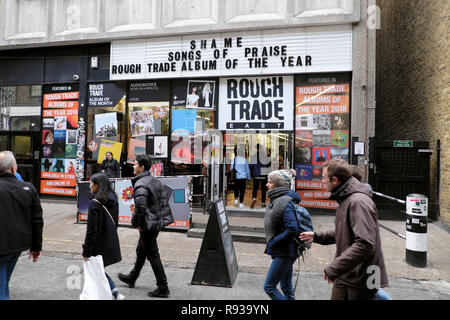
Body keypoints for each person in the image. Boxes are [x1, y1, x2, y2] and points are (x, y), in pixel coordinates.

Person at [299, 159, 388, 300]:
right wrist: (316, 236)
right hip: (347, 273)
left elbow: (365, 244)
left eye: (323, 178)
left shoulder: (358, 202)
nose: (322, 181)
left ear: (334, 180)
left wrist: (334, 268)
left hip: (362, 276)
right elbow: (345, 232)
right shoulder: (346, 198)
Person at [118, 155, 174, 298]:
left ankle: (163, 287)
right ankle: (132, 277)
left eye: (135, 164)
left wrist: (136, 224)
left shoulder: (141, 184)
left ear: (142, 167)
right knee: (141, 251)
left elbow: (140, 208)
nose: (133, 166)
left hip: (148, 224)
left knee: (152, 254)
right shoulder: (154, 180)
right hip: (154, 222)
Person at [0, 151, 43, 300]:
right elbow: (37, 220)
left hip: (3, 247)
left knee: (2, 287)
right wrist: (36, 247)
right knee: (3, 282)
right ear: (13, 168)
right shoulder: (29, 188)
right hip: (17, 246)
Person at [349, 165, 392, 301]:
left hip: (367, 260)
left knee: (372, 290)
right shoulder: (360, 197)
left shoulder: (359, 201)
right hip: (368, 259)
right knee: (372, 290)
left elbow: (364, 240)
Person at [82, 172, 124, 300]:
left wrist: (86, 251)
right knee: (98, 269)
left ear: (97, 185)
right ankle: (114, 292)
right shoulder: (113, 198)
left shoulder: (95, 203)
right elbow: (115, 222)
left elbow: (91, 231)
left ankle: (114, 293)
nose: (89, 186)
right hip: (110, 241)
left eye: (91, 183)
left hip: (97, 244)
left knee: (96, 269)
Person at [263, 169, 300, 300]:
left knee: (269, 287)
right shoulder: (277, 199)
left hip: (284, 252)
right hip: (285, 250)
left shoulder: (284, 202)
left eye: (269, 182)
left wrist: (274, 241)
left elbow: (292, 228)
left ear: (278, 185)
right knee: (286, 287)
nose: (267, 184)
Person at [249, 144, 271, 208]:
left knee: (255, 188)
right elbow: (268, 165)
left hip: (256, 175)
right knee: (264, 189)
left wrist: (253, 172)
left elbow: (250, 166)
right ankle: (263, 203)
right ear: (261, 149)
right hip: (264, 175)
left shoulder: (253, 156)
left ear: (256, 149)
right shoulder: (266, 156)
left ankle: (254, 198)